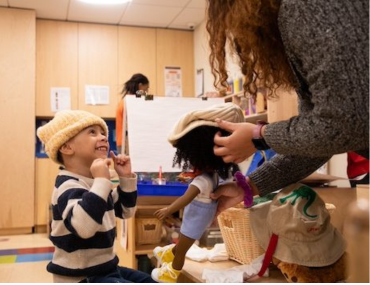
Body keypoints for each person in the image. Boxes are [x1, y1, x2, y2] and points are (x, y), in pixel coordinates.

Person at [205, 0, 369, 213]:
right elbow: (316, 144)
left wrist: (260, 136)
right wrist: (248, 186)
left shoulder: (306, 6)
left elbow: (344, 122)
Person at [37, 110, 156, 283]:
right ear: (66, 147)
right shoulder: (67, 184)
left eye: (103, 133)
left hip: (106, 268)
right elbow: (84, 227)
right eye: (92, 132)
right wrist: (101, 180)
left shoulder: (97, 183)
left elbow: (126, 212)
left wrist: (125, 178)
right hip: (80, 277)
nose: (103, 137)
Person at [150, 103, 245, 283]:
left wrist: (168, 210)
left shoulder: (202, 180)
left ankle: (171, 273)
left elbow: (186, 198)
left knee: (183, 249)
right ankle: (170, 253)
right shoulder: (214, 176)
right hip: (199, 219)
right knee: (184, 244)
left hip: (195, 220)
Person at [116, 73, 149, 154]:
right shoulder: (131, 101)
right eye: (146, 88)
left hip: (123, 142)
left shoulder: (126, 100)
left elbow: (151, 99)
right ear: (140, 86)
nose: (147, 91)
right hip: (126, 143)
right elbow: (151, 99)